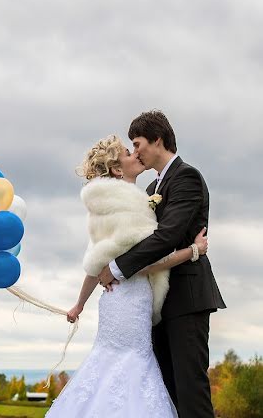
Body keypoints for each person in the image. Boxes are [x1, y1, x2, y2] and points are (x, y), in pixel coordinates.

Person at [46, 134, 208, 417]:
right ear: (118, 170)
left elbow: (94, 263)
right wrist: (194, 250)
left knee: (110, 364)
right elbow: (149, 259)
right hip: (131, 301)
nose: (135, 154)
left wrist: (79, 304)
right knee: (132, 368)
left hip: (114, 301)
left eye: (135, 147)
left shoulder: (105, 208)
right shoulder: (130, 209)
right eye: (127, 151)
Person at [98, 111, 226, 417]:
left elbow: (168, 235)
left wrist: (116, 268)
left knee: (190, 392)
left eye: (137, 142)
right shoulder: (150, 189)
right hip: (155, 304)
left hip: (187, 298)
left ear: (157, 140)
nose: (135, 150)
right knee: (165, 393)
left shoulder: (186, 177)